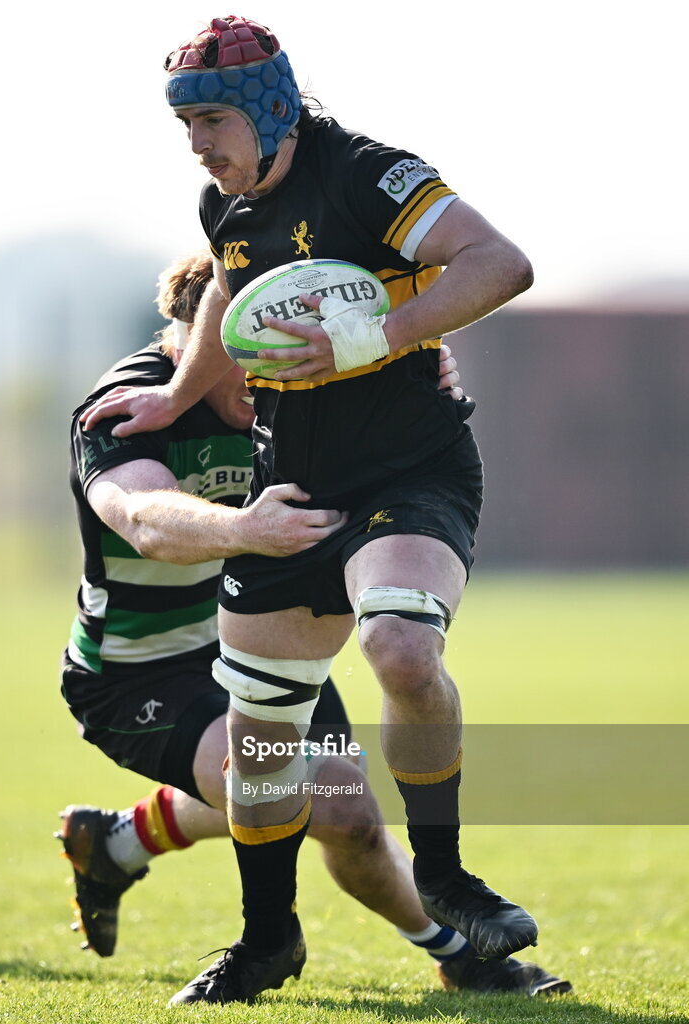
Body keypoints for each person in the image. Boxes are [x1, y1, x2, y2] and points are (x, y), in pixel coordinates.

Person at [79, 15, 545, 1005]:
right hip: (291, 482)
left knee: (399, 649)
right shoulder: (226, 205)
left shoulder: (367, 175)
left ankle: (448, 877)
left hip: (407, 472)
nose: (197, 144)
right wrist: (170, 396)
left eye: (209, 121)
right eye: (185, 126)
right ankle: (266, 938)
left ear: (268, 108)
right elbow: (223, 296)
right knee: (263, 746)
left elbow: (498, 264)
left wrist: (386, 334)